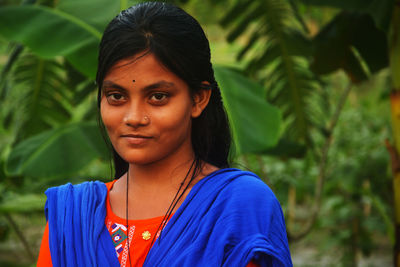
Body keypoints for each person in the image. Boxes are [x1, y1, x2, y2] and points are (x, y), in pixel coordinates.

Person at [37, 2, 292, 266]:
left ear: (198, 99)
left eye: (158, 97)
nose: (134, 117)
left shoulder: (240, 207)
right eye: (116, 96)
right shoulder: (71, 218)